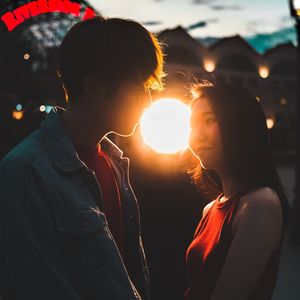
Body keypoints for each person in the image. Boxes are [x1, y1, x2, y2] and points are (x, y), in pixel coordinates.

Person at [0, 16, 164, 299]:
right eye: (139, 90)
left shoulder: (114, 163)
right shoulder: (25, 171)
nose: (148, 102)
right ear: (94, 88)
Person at [185, 82, 288, 300]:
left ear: (238, 124)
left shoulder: (261, 204)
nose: (197, 135)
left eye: (208, 120)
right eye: (192, 125)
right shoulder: (210, 209)